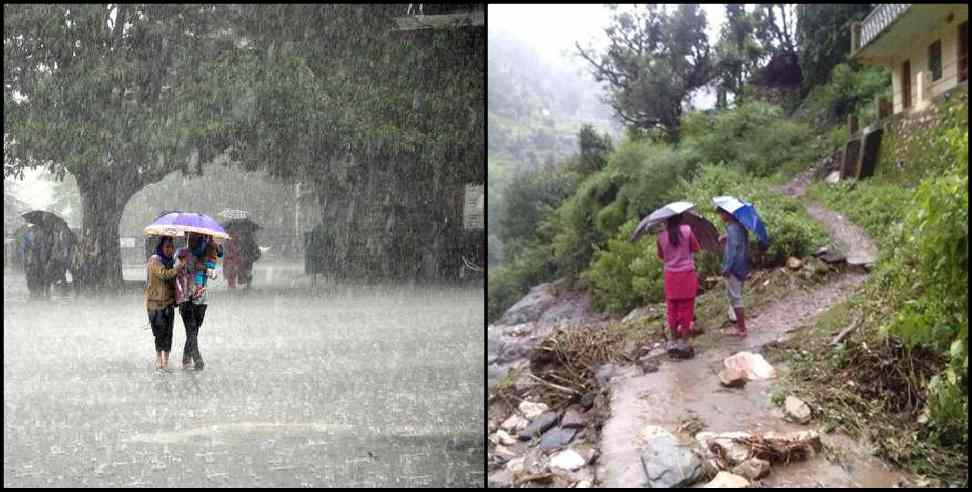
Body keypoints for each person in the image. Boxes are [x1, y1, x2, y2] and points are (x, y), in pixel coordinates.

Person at [656, 213, 702, 357]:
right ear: (681, 218)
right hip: (687, 275)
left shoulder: (661, 236)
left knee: (672, 309)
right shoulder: (687, 230)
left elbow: (661, 256)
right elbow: (696, 248)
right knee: (687, 309)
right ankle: (684, 341)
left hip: (670, 277)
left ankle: (673, 340)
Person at [174, 233, 222, 370]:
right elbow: (176, 270)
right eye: (191, 238)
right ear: (187, 238)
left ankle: (186, 358)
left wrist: (205, 269)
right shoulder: (181, 253)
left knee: (194, 331)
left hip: (202, 300)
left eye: (196, 239)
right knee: (192, 329)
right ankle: (197, 357)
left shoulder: (206, 254)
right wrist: (186, 264)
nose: (192, 242)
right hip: (185, 298)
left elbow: (214, 275)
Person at [145, 236, 185, 371]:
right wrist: (176, 269)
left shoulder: (171, 261)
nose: (170, 249)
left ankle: (165, 361)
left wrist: (179, 268)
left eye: (172, 247)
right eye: (167, 246)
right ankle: (158, 357)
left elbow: (175, 279)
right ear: (161, 247)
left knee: (168, 333)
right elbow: (163, 274)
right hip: (154, 304)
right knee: (159, 332)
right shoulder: (154, 260)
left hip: (168, 302)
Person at [717, 206, 749, 337]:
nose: (721, 216)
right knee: (735, 296)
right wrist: (726, 238)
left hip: (734, 268)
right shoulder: (740, 227)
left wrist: (726, 268)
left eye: (722, 214)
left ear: (728, 214)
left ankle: (742, 329)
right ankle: (739, 327)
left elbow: (732, 251)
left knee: (735, 298)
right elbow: (739, 244)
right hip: (742, 265)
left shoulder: (732, 228)